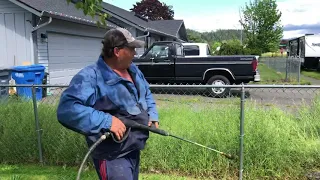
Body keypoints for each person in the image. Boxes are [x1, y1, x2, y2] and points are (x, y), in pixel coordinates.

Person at [56, 27, 159, 180]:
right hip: (112, 156)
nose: (135, 53)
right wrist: (108, 121)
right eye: (131, 49)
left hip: (133, 148)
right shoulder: (90, 77)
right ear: (117, 51)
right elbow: (67, 109)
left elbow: (146, 93)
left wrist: (152, 113)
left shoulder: (134, 70)